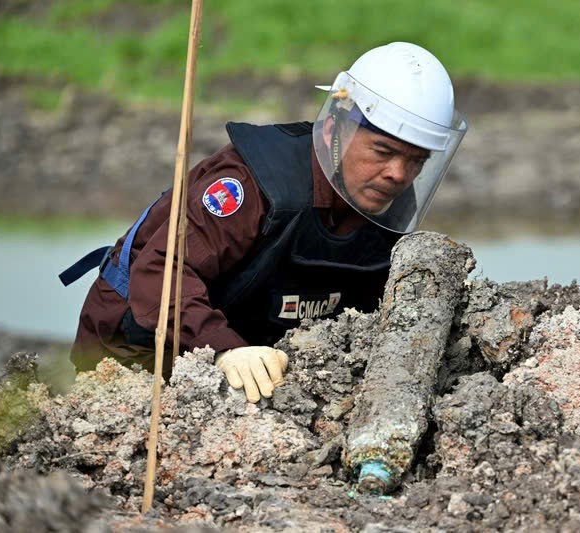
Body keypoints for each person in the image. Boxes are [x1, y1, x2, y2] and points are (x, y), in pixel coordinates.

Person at [60, 42, 468, 403]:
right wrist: (223, 349)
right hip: (135, 348)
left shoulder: (384, 201)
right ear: (334, 127)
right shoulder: (251, 187)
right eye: (383, 151)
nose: (399, 174)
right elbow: (160, 271)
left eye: (417, 161)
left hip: (257, 353)